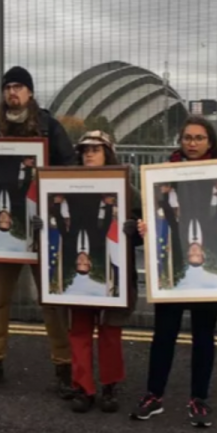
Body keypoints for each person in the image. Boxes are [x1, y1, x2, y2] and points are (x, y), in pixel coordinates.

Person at [130, 116, 217, 428]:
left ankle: (199, 399)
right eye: (187, 137)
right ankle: (153, 395)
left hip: (210, 277)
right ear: (180, 140)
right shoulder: (164, 173)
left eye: (199, 138)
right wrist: (144, 225)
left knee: (203, 336)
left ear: (210, 142)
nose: (192, 143)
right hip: (172, 266)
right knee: (164, 334)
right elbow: (159, 218)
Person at [0, 66, 76, 397]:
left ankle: (64, 366)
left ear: (30, 92)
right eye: (7, 87)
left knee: (51, 301)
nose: (12, 92)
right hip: (3, 228)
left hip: (40, 227)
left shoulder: (49, 126)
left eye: (18, 87)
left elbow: (69, 170)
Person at [32, 131, 142, 413]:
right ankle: (83, 387)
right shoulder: (66, 185)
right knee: (79, 330)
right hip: (75, 271)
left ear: (108, 152)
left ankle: (109, 386)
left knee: (110, 331)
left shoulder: (127, 189)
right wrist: (41, 223)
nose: (89, 154)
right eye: (85, 150)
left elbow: (144, 226)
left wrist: (136, 228)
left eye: (96, 149)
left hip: (112, 273)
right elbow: (55, 220)